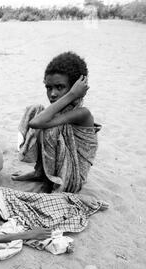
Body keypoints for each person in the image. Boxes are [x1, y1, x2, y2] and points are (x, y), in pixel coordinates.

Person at [13, 52, 101, 193]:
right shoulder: (58, 111)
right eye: (49, 88)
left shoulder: (83, 113)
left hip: (71, 179)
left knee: (49, 128)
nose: (52, 94)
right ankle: (40, 172)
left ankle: (50, 182)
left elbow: (37, 123)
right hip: (59, 167)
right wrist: (69, 94)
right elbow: (37, 119)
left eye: (59, 87)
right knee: (36, 109)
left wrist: (73, 94)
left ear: (74, 87)